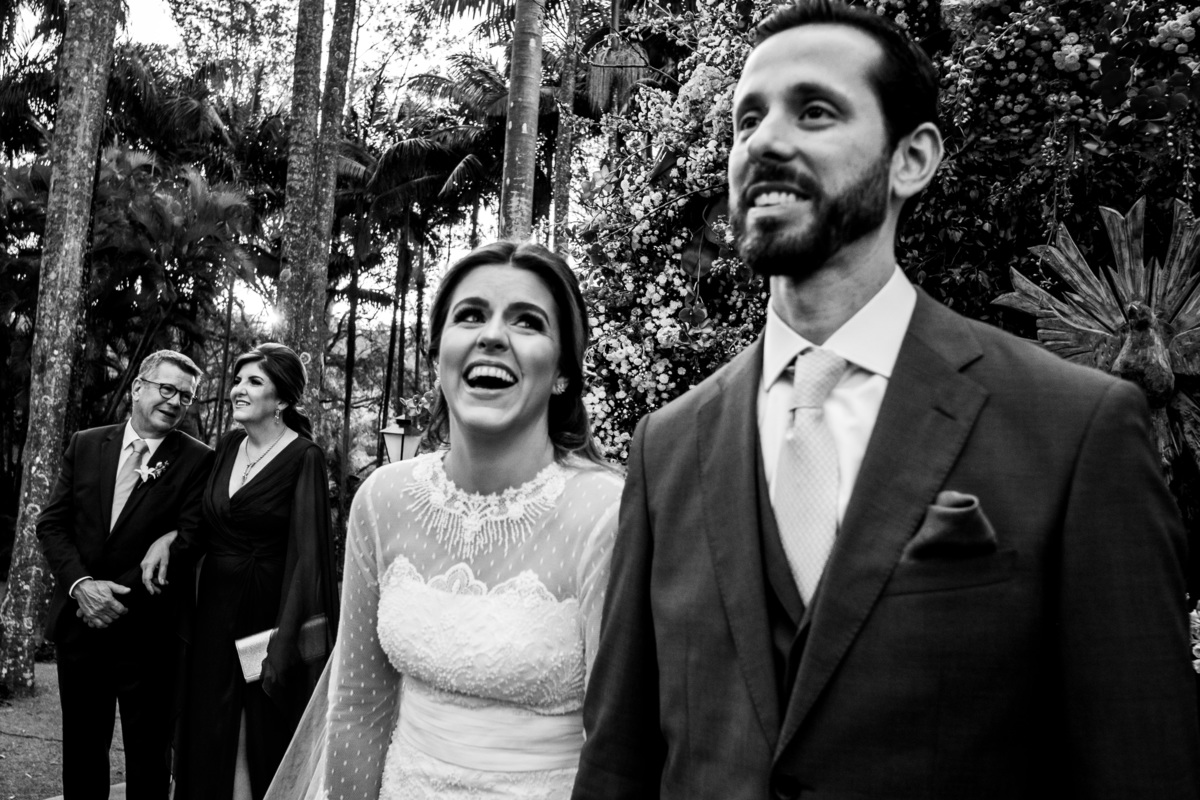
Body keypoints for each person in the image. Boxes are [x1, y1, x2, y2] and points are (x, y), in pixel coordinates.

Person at [572, 2, 1200, 798]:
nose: (763, 142)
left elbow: (1143, 765)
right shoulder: (668, 445)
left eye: (815, 111)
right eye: (747, 121)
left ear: (913, 159)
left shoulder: (1076, 429)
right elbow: (619, 762)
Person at [269, 240, 622, 800]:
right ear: (437, 355)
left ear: (562, 371)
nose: (493, 335)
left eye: (528, 321)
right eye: (471, 315)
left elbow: (619, 745)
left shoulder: (605, 512)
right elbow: (358, 704)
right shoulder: (382, 500)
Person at [37, 350, 214, 800]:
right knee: (82, 754)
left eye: (186, 396)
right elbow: (52, 524)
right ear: (138, 387)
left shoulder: (198, 460)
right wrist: (82, 587)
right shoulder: (86, 443)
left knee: (150, 758)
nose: (175, 402)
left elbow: (194, 535)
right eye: (167, 389)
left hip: (149, 633)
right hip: (81, 628)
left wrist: (112, 595)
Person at [172, 343, 338, 800]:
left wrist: (286, 638)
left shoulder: (304, 456)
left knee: (252, 723)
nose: (238, 389)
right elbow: (203, 523)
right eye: (238, 380)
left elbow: (308, 556)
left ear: (281, 399)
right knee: (210, 720)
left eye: (254, 381)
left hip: (265, 611)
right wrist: (169, 541)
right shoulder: (228, 446)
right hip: (213, 608)